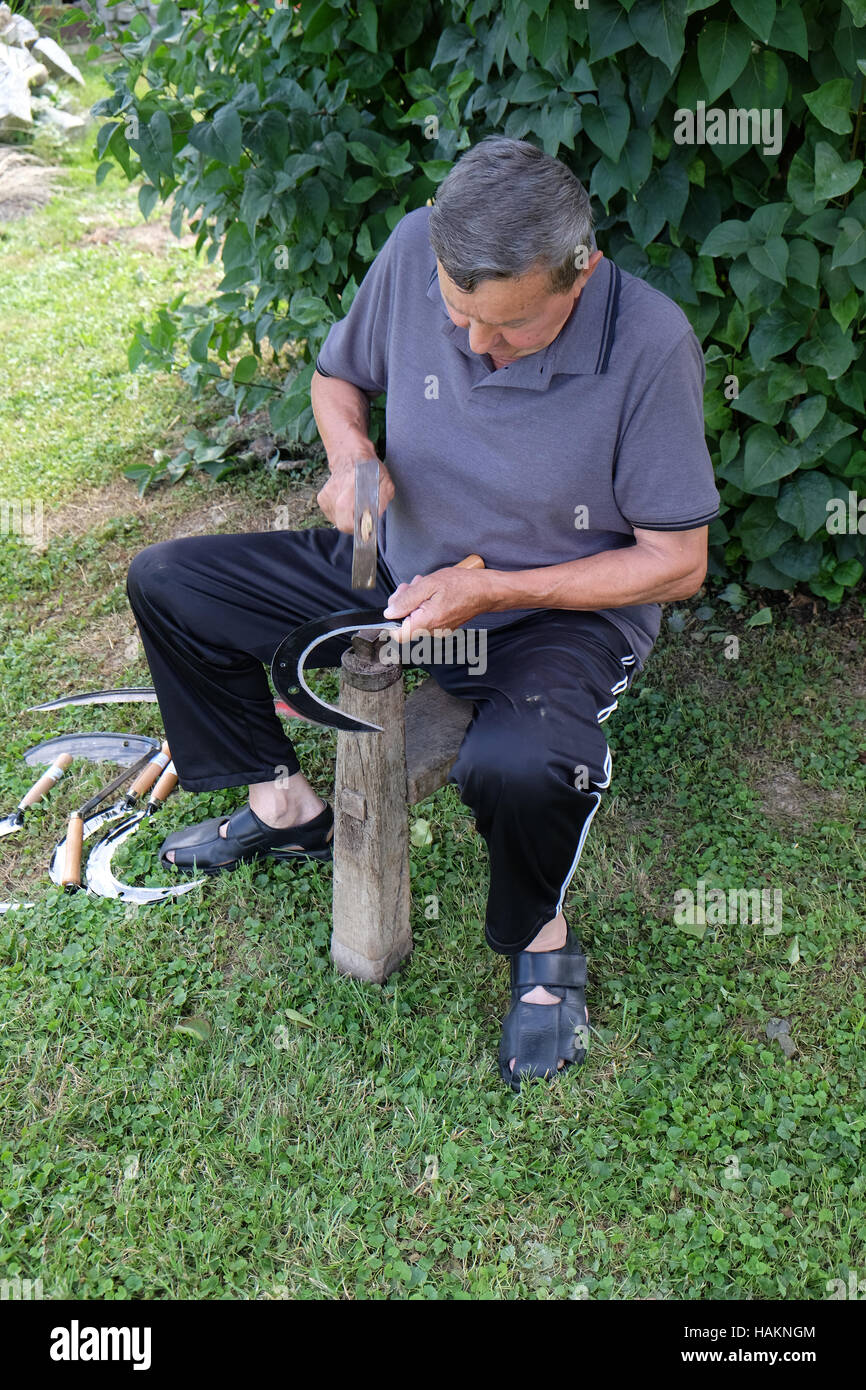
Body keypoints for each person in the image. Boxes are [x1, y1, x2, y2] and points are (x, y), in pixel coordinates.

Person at [126, 137, 720, 1091]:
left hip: (552, 613)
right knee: (172, 583)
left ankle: (543, 946)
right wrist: (351, 459)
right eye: (458, 316)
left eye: (511, 329)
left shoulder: (650, 344)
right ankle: (283, 805)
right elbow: (335, 380)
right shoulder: (415, 247)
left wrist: (499, 589)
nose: (477, 347)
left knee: (522, 764)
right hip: (398, 566)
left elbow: (676, 563)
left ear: (582, 272)